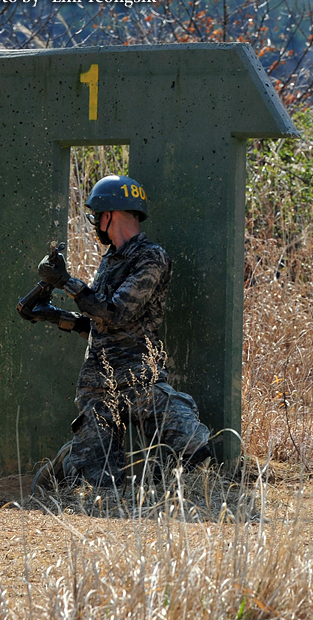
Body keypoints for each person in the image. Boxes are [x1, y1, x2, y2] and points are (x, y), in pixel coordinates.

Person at [30, 174, 230, 490]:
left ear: (108, 215)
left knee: (192, 445)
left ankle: (158, 485)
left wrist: (65, 281)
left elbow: (117, 312)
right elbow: (101, 323)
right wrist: (53, 316)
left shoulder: (151, 257)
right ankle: (69, 462)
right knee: (102, 485)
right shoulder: (109, 260)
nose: (96, 224)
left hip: (141, 381)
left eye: (97, 216)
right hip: (99, 387)